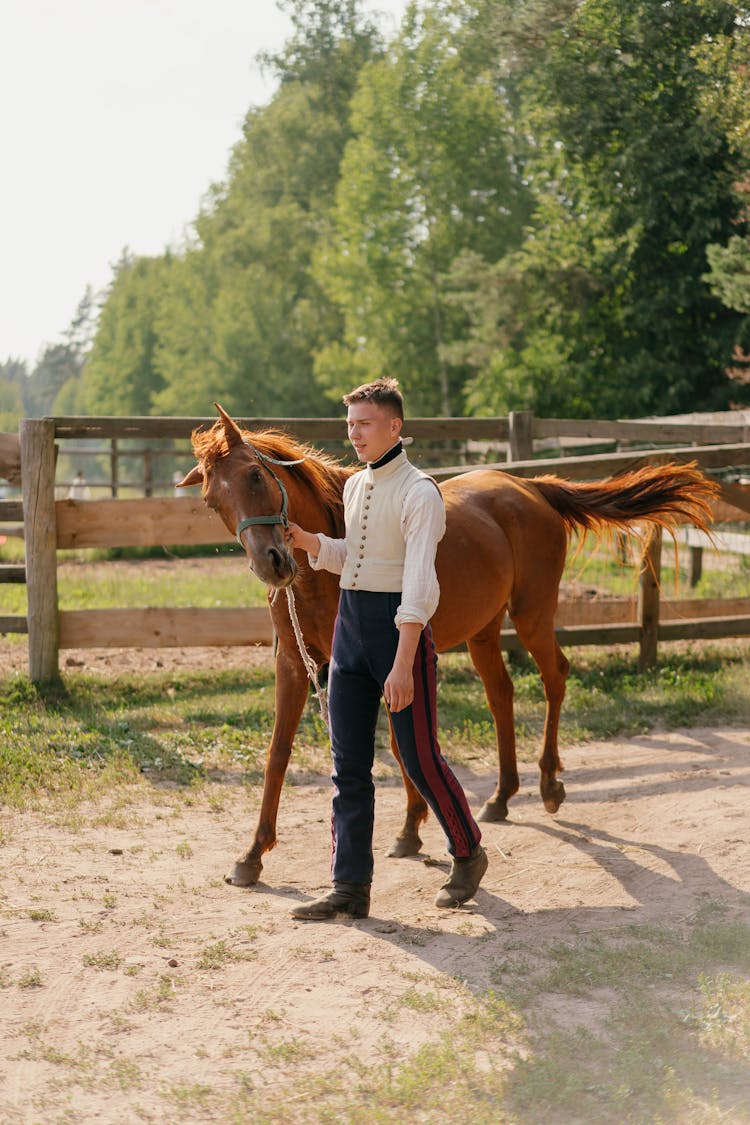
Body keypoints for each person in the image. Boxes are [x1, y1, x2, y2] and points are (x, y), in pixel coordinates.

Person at [287, 378, 487, 920]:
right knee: (347, 766)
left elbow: (419, 583)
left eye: (364, 423)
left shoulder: (421, 492)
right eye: (349, 424)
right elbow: (358, 557)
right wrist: (313, 545)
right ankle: (349, 886)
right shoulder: (355, 487)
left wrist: (403, 663)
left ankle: (468, 851)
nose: (354, 433)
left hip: (399, 635)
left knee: (420, 759)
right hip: (349, 632)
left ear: (394, 426)